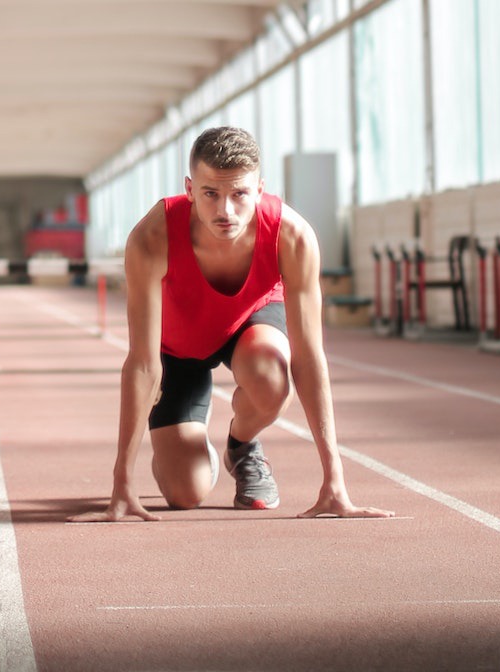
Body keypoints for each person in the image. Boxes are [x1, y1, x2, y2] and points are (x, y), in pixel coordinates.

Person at [69, 127, 393, 522]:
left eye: (239, 194)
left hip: (251, 325)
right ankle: (188, 444)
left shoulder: (293, 237)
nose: (225, 211)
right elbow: (142, 363)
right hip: (179, 348)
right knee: (184, 493)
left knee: (272, 376)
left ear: (259, 189)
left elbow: (309, 358)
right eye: (210, 194)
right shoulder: (152, 238)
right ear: (189, 189)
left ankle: (242, 445)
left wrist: (335, 481)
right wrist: (122, 482)